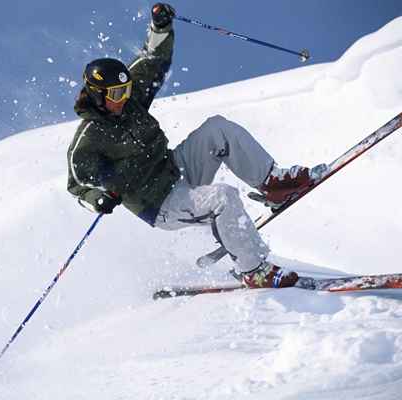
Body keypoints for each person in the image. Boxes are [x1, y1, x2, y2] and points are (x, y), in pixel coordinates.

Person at [66, 3, 328, 289]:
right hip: (158, 203)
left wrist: (160, 26)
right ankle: (254, 270)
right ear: (97, 94)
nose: (124, 97)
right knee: (222, 198)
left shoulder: (130, 102)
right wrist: (97, 199)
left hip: (175, 170)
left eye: (126, 89)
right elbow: (77, 185)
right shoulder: (90, 138)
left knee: (217, 129)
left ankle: (272, 184)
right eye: (116, 93)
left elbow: (153, 57)